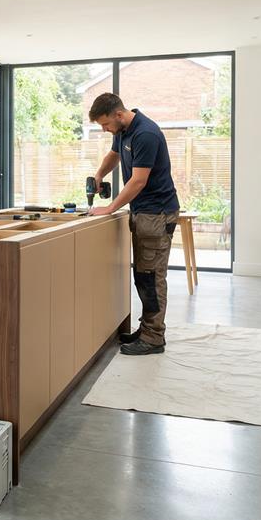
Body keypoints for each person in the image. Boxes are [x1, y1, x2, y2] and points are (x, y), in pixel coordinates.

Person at [86, 93, 180, 356]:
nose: (105, 130)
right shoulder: (124, 130)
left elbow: (138, 180)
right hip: (144, 213)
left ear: (118, 114)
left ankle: (154, 338)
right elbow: (113, 155)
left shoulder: (145, 134)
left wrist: (111, 207)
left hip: (156, 214)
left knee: (151, 277)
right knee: (143, 275)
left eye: (105, 125)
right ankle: (148, 328)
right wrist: (99, 174)